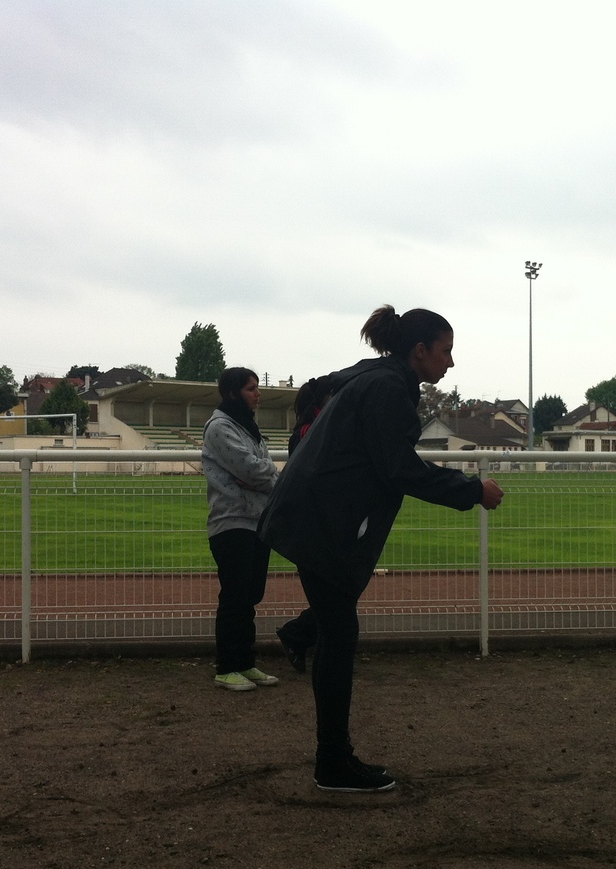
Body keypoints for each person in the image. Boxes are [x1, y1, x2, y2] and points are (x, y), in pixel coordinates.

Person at [259, 305, 505, 792]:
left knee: (336, 630)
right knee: (339, 634)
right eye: (446, 351)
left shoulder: (377, 375)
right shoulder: (388, 387)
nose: (451, 362)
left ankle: (332, 756)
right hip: (318, 522)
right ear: (420, 351)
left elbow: (322, 389)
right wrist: (473, 490)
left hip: (310, 516)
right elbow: (400, 469)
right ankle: (333, 762)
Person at [202, 367, 281, 691]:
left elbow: (261, 471)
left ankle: (245, 663)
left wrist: (265, 476)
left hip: (257, 522)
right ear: (233, 393)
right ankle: (226, 667)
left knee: (249, 597)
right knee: (235, 597)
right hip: (231, 522)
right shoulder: (220, 427)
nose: (257, 394)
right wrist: (270, 477)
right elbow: (252, 469)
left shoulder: (247, 427)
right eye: (251, 388)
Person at [274, 375, 336, 673]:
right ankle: (299, 636)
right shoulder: (314, 430)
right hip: (317, 522)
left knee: (334, 594)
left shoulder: (307, 429)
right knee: (335, 595)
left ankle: (303, 638)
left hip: (313, 520)